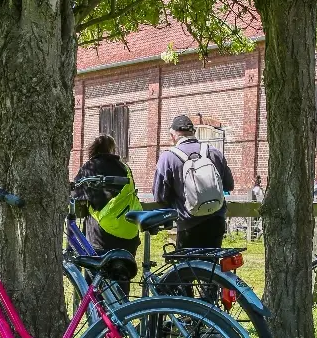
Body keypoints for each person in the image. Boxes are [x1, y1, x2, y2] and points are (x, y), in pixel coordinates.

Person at [72, 135, 141, 295]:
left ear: (93, 149)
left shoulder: (89, 168)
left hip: (100, 236)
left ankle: (97, 316)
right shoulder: (125, 168)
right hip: (127, 233)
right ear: (112, 149)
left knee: (95, 282)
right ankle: (123, 313)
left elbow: (76, 195)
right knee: (121, 278)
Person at [152, 115, 234, 249]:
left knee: (188, 268)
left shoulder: (168, 157)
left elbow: (159, 196)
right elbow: (229, 185)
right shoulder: (214, 152)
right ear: (193, 132)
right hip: (216, 220)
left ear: (173, 135)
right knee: (211, 267)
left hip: (188, 223)